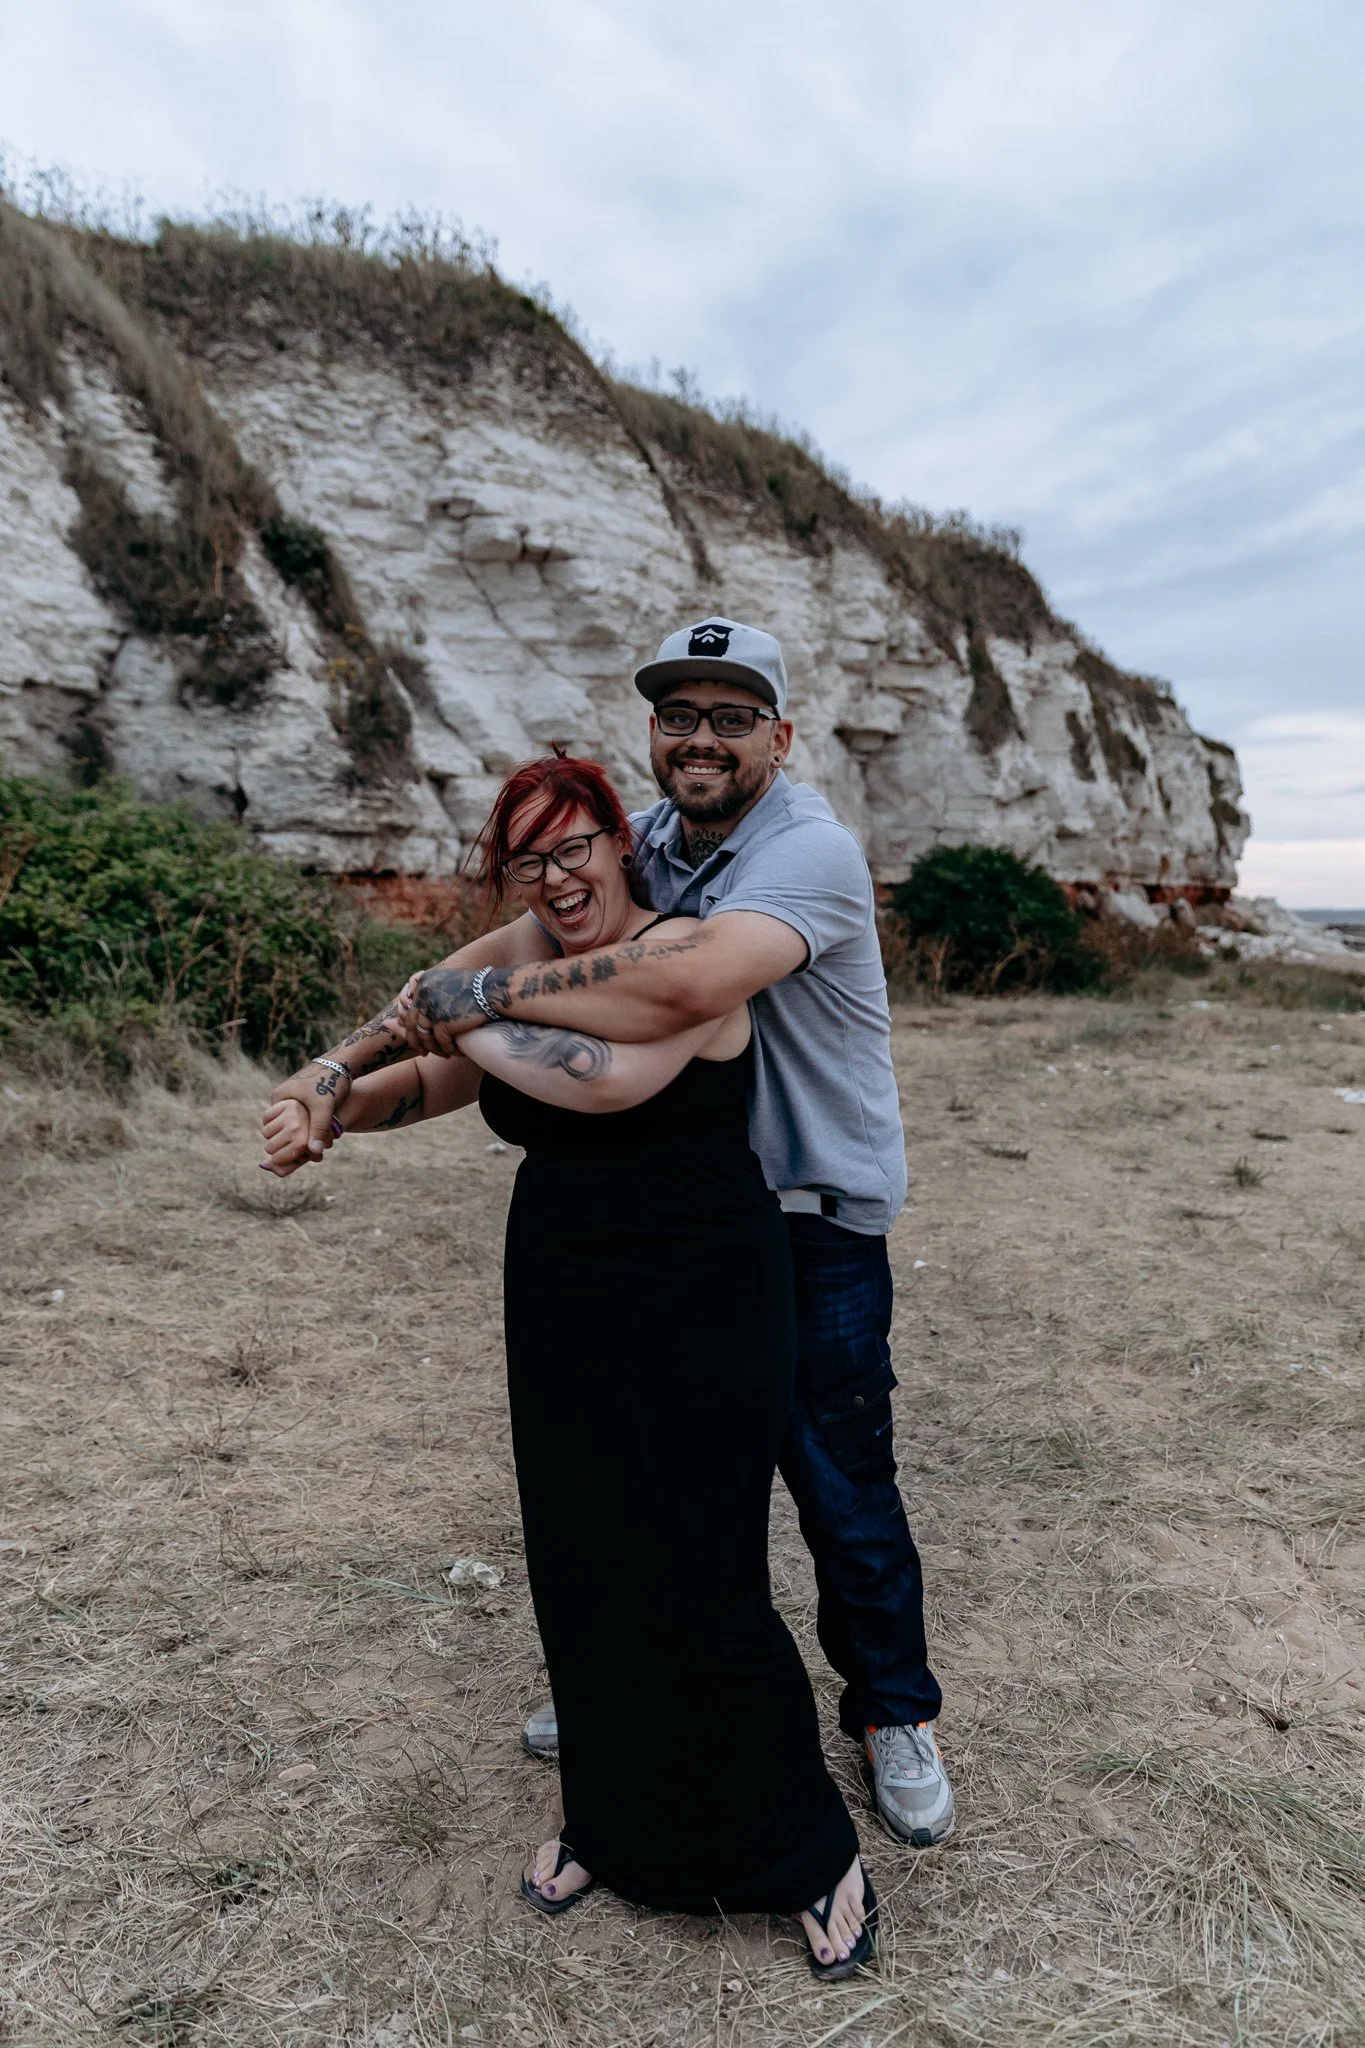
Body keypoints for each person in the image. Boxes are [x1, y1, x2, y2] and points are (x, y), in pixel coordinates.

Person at [267, 617, 953, 1851]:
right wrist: (336, 1068)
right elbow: (461, 976)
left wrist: (475, 1003)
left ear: (781, 735)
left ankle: (893, 1709)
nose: (702, 737)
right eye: (679, 714)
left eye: (732, 716)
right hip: (676, 1225)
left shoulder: (808, 849)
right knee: (658, 1480)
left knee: (840, 1480)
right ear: (653, 730)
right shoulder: (635, 839)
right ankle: (628, 1686)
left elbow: (677, 982)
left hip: (808, 1209)